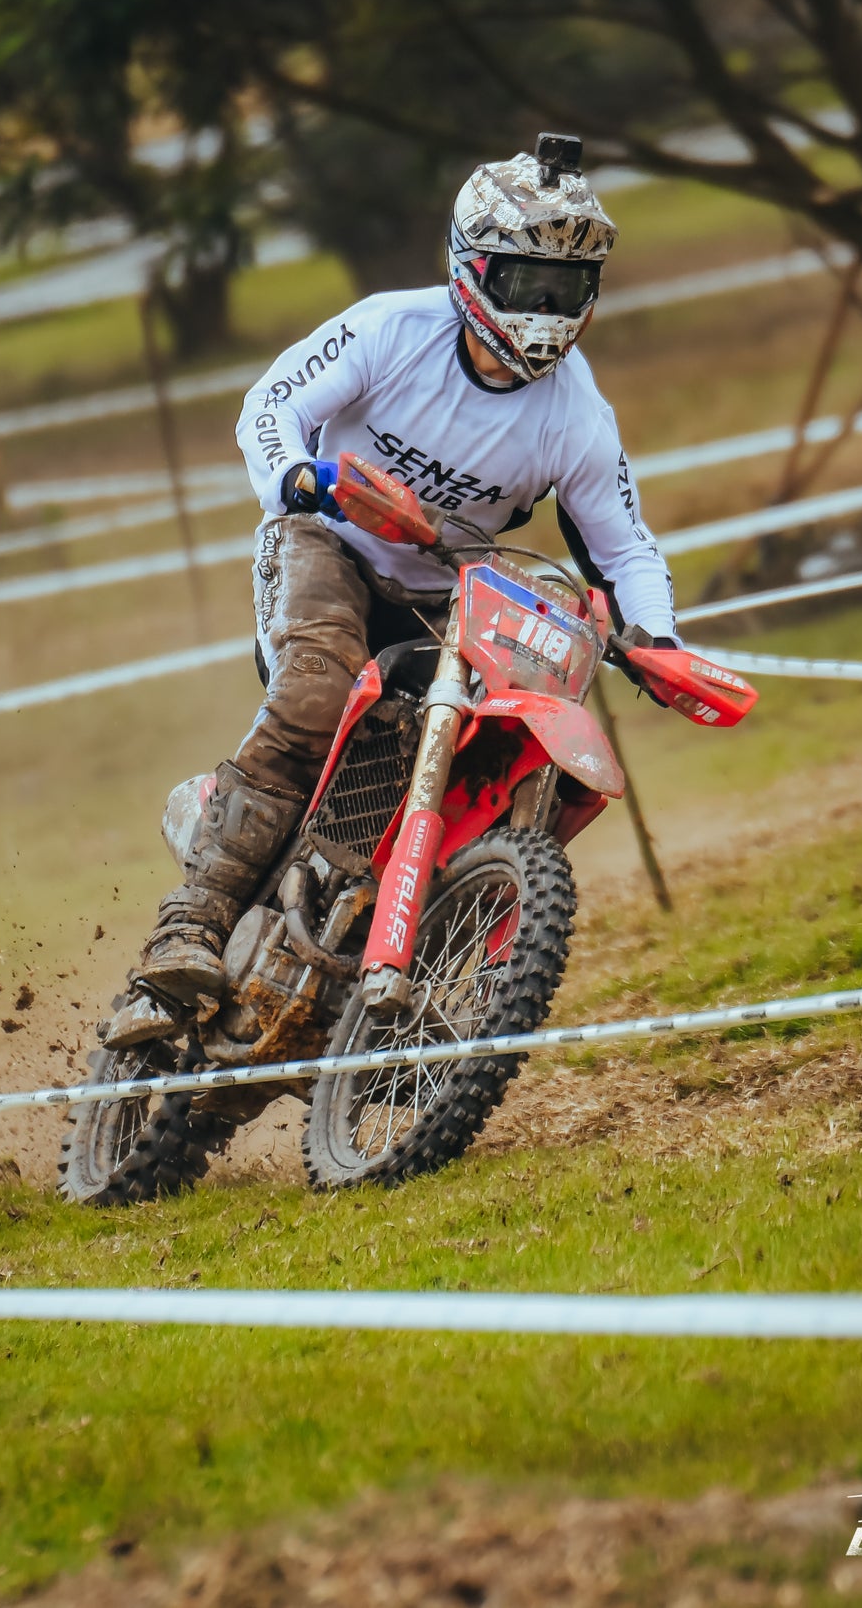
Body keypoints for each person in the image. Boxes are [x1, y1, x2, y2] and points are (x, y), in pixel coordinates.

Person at [116, 133, 681, 1039]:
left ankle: (431, 947)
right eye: (524, 285)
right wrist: (303, 476)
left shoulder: (576, 414)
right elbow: (272, 404)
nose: (543, 310)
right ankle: (185, 930)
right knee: (317, 689)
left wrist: (656, 639)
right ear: (472, 269)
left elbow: (625, 547)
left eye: (563, 291)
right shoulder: (390, 329)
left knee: (496, 746)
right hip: (324, 544)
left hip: (451, 593)